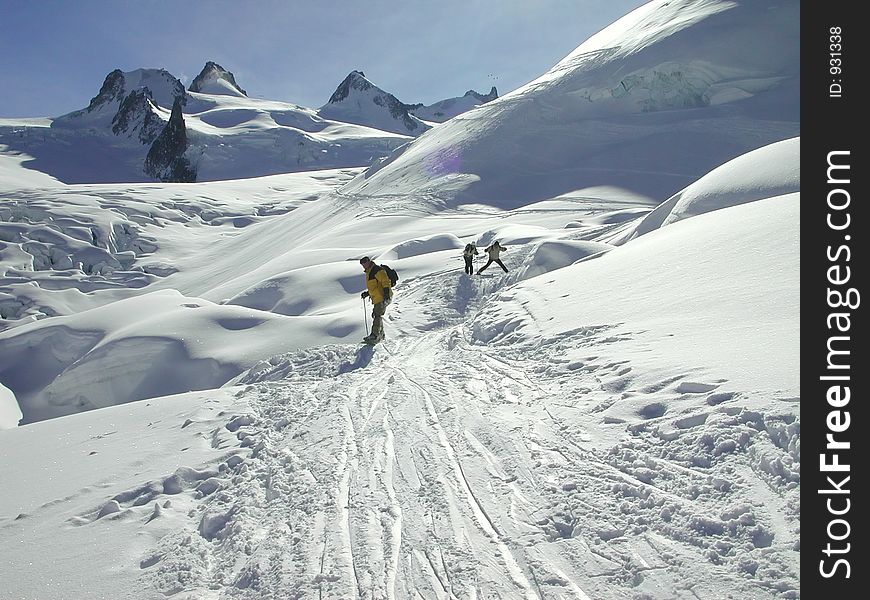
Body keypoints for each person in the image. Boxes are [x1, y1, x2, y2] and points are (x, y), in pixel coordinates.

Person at [359, 256, 392, 344]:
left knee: (377, 315)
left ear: (369, 261)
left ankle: (374, 336)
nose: (363, 265)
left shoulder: (377, 270)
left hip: (382, 297)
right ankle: (380, 335)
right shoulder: (369, 272)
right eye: (362, 263)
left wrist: (386, 294)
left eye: (365, 262)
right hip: (377, 298)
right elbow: (375, 287)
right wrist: (367, 293)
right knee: (376, 315)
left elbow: (385, 281)